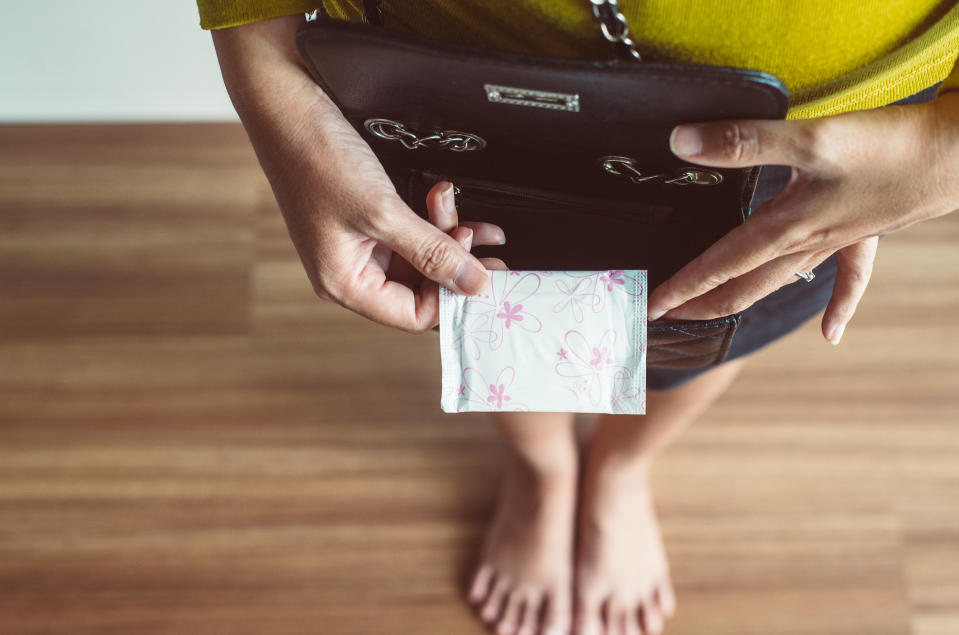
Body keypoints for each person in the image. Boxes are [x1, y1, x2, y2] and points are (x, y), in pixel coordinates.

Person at [201, 2, 959, 634]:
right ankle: (544, 469)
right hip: (449, 98)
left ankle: (620, 469)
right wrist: (260, 62)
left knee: (704, 332)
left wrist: (944, 152)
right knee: (496, 312)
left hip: (825, 140)